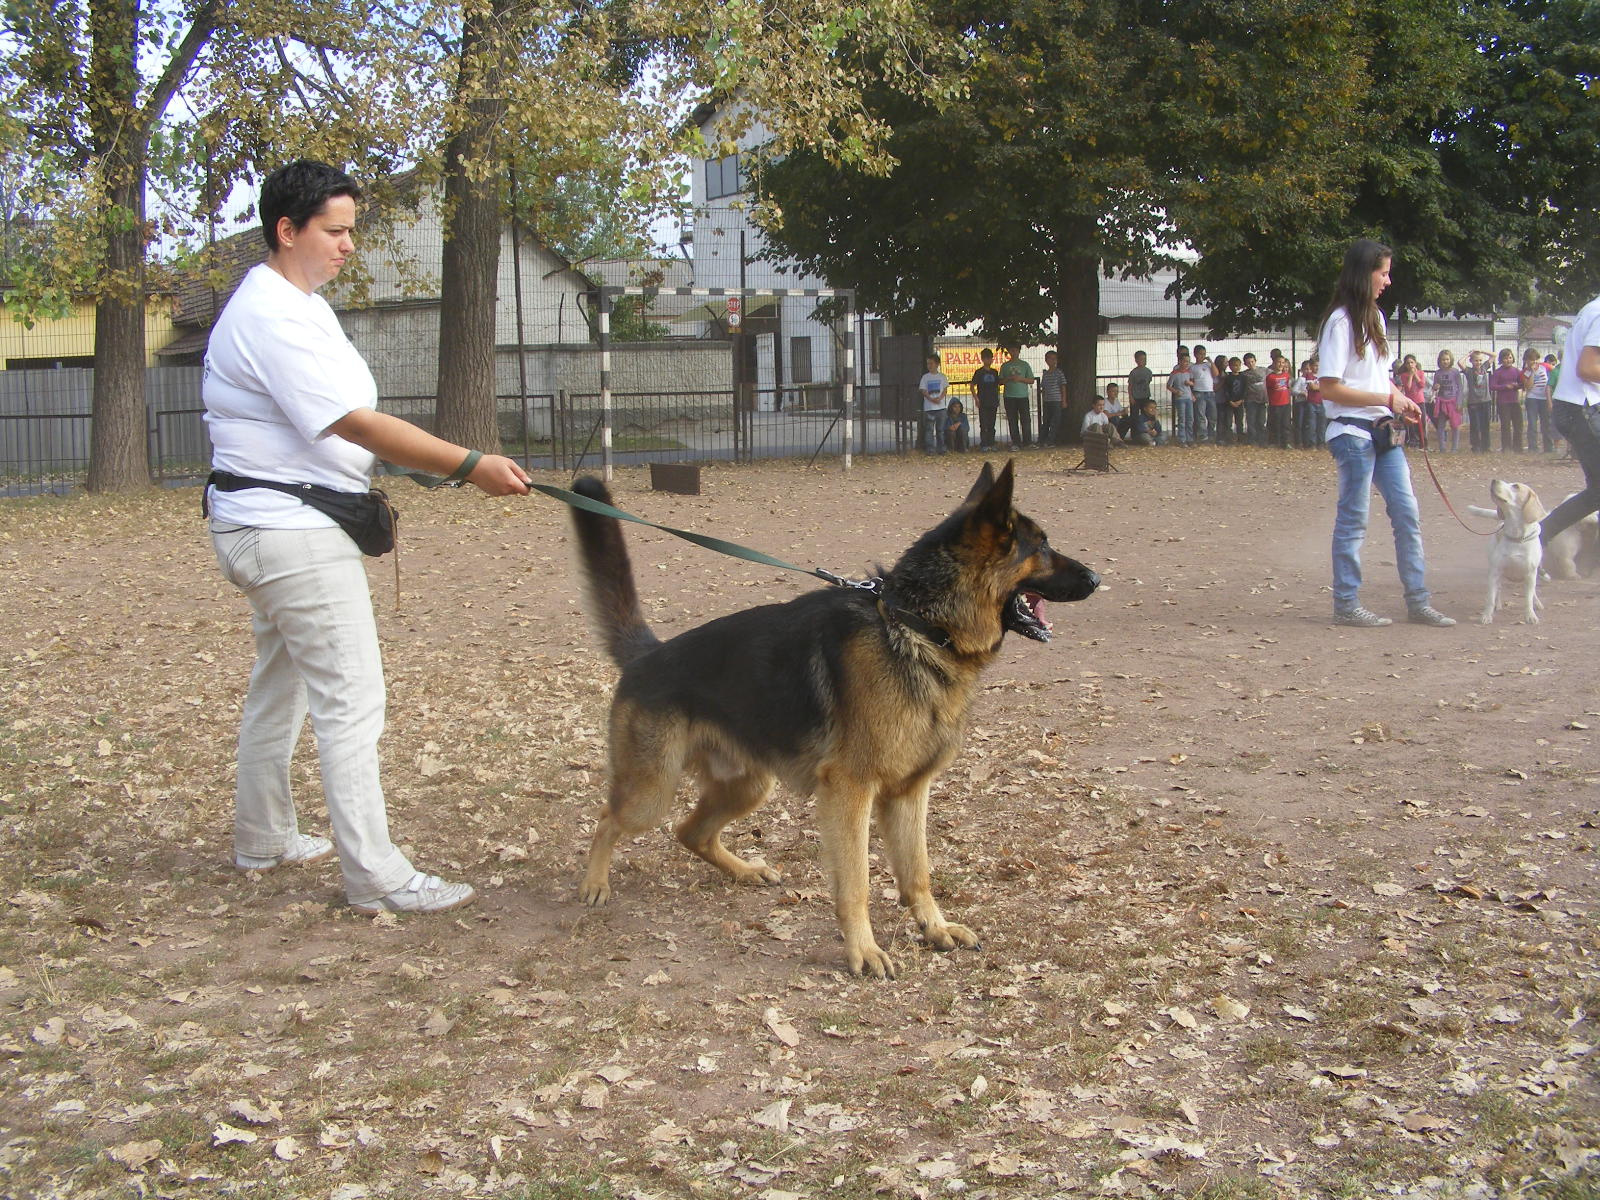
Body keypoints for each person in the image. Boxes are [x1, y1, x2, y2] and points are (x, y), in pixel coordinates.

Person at [203, 160, 532, 915]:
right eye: (335, 230)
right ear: (288, 231)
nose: (349, 245)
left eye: (351, 230)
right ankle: (376, 874)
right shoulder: (272, 316)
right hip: (290, 535)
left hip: (278, 525)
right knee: (351, 698)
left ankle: (262, 836)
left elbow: (334, 423)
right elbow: (351, 421)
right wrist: (468, 463)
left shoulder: (295, 302)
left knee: (280, 687)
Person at [1316, 237, 1454, 629]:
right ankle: (1346, 604)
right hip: (1351, 434)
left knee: (1407, 513)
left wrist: (1400, 399)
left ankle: (1418, 601)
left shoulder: (1375, 319)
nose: (1388, 281)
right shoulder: (1340, 322)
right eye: (1383, 272)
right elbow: (1330, 387)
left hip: (1382, 432)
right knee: (1354, 519)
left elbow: (1380, 378)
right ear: (1365, 274)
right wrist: (1386, 399)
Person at [1538, 292, 1600, 555]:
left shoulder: (1592, 307)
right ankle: (1536, 539)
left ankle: (1538, 540)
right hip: (1582, 408)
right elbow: (1586, 368)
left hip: (1577, 407)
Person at [998, 344, 1035, 449]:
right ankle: (1016, 443)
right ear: (1009, 352)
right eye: (1011, 350)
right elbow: (1000, 381)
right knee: (1012, 420)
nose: (1013, 352)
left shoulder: (1025, 365)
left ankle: (1028, 442)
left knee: (1026, 420)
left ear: (1019, 351)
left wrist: (1020, 379)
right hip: (1009, 397)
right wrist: (1009, 378)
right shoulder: (1005, 366)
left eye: (1015, 350)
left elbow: (1031, 380)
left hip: (1022, 396)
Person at [1429, 349, 1465, 452]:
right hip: (1442, 402)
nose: (1445, 361)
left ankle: (1455, 448)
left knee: (1455, 426)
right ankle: (1442, 447)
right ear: (1439, 361)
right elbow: (1434, 388)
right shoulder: (1438, 373)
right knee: (1440, 426)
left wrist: (1459, 402)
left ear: (1451, 360)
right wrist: (1436, 387)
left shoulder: (1455, 372)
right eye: (1443, 360)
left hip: (1453, 402)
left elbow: (1460, 388)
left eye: (1447, 359)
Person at [1489, 348, 1525, 452]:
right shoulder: (1498, 372)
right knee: (1505, 425)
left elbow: (1522, 384)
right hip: (1503, 403)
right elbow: (1492, 386)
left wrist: (1516, 386)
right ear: (1501, 360)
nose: (1508, 360)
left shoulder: (1516, 371)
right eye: (1505, 358)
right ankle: (1506, 447)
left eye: (1510, 357)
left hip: (1515, 401)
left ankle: (1518, 447)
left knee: (1518, 425)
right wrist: (1505, 386)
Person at [969, 348, 1003, 450]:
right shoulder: (979, 372)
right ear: (982, 359)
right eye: (986, 358)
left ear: (992, 359)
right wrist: (976, 398)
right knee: (983, 424)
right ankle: (984, 444)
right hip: (982, 401)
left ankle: (991, 443)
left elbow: (998, 384)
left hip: (993, 400)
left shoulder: (994, 372)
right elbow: (972, 385)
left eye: (990, 358)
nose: (988, 360)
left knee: (992, 424)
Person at [1522, 347, 1554, 453]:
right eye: (1531, 359)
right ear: (1526, 360)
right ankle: (1533, 447)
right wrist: (1531, 372)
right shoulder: (1526, 372)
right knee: (1532, 424)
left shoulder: (1544, 367)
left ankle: (1549, 448)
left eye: (1535, 359)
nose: (1534, 361)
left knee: (1546, 423)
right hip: (1532, 399)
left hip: (1544, 398)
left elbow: (1555, 370)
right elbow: (1528, 387)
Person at [919, 353, 949, 455]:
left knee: (940, 430)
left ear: (937, 364)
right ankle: (930, 449)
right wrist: (931, 399)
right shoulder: (925, 377)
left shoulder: (942, 377)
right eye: (928, 364)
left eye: (931, 363)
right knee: (929, 430)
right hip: (929, 407)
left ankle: (941, 448)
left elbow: (945, 390)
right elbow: (923, 390)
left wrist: (939, 398)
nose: (929, 366)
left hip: (941, 407)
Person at [1462, 349, 1492, 453]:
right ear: (1471, 361)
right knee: (1475, 425)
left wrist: (1482, 351)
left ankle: (1486, 446)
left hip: (1485, 400)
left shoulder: (1484, 367)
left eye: (1480, 360)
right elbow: (1460, 363)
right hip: (1473, 402)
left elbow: (1494, 356)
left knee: (1485, 425)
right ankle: (1475, 446)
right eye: (1476, 360)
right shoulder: (1469, 371)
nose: (1478, 363)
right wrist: (1469, 354)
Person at [1166, 346, 1195, 446]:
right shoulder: (1174, 373)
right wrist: (1176, 392)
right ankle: (1182, 439)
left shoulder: (1189, 372)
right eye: (1185, 361)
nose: (1187, 364)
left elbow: (1192, 383)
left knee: (1190, 419)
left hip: (1188, 398)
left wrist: (1191, 388)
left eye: (1188, 362)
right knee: (1182, 419)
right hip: (1180, 398)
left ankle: (1190, 438)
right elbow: (1168, 386)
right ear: (1180, 361)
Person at [1190, 344, 1217, 444]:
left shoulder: (1208, 365)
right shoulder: (1193, 367)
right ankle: (1203, 436)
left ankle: (1211, 434)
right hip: (1199, 392)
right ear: (1195, 355)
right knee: (1200, 415)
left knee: (1212, 415)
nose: (1202, 356)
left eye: (1204, 354)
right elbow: (1192, 380)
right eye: (1200, 354)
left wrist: (1211, 362)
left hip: (1210, 392)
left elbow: (1215, 374)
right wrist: (1192, 393)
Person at [1038, 350, 1066, 445]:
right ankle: (1042, 440)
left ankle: (1051, 440)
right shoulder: (1045, 374)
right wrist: (1043, 397)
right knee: (1046, 421)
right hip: (1047, 401)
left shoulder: (1059, 373)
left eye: (1055, 359)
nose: (1053, 361)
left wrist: (1064, 400)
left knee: (1055, 421)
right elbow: (1044, 387)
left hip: (1057, 400)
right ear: (1046, 360)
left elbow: (1063, 386)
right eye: (1051, 359)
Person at [1265, 353, 1293, 448]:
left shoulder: (1286, 375)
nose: (1281, 364)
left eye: (1282, 362)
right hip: (1274, 404)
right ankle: (1274, 442)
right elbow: (1267, 390)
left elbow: (1288, 387)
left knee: (1286, 424)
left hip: (1286, 403)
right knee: (1275, 423)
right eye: (1279, 362)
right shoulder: (1270, 377)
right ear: (1274, 363)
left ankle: (1285, 442)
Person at [1241, 352, 1269, 446]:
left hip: (1262, 400)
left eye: (1252, 362)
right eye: (1248, 363)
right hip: (1250, 400)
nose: (1251, 364)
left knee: (1261, 421)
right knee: (1251, 420)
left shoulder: (1264, 370)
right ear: (1245, 364)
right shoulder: (1244, 374)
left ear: (1255, 361)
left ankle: (1261, 440)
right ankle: (1252, 440)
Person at [1220, 356, 1246, 445]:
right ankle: (1229, 439)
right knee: (1228, 422)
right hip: (1229, 403)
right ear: (1230, 366)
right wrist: (1230, 401)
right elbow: (1225, 390)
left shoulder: (1243, 377)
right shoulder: (1227, 378)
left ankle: (1241, 439)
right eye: (1234, 365)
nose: (1236, 367)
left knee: (1239, 422)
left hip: (1239, 402)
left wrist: (1241, 400)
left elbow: (1245, 390)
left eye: (1238, 365)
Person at [1127, 351, 1154, 422]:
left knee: (1146, 414)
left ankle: (1145, 430)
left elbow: (1148, 381)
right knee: (1134, 416)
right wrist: (1131, 397)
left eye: (1145, 359)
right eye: (1141, 359)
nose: (1143, 361)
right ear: (1136, 360)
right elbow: (1130, 386)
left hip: (1145, 396)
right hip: (1135, 397)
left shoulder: (1149, 371)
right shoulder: (1133, 372)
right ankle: (1135, 432)